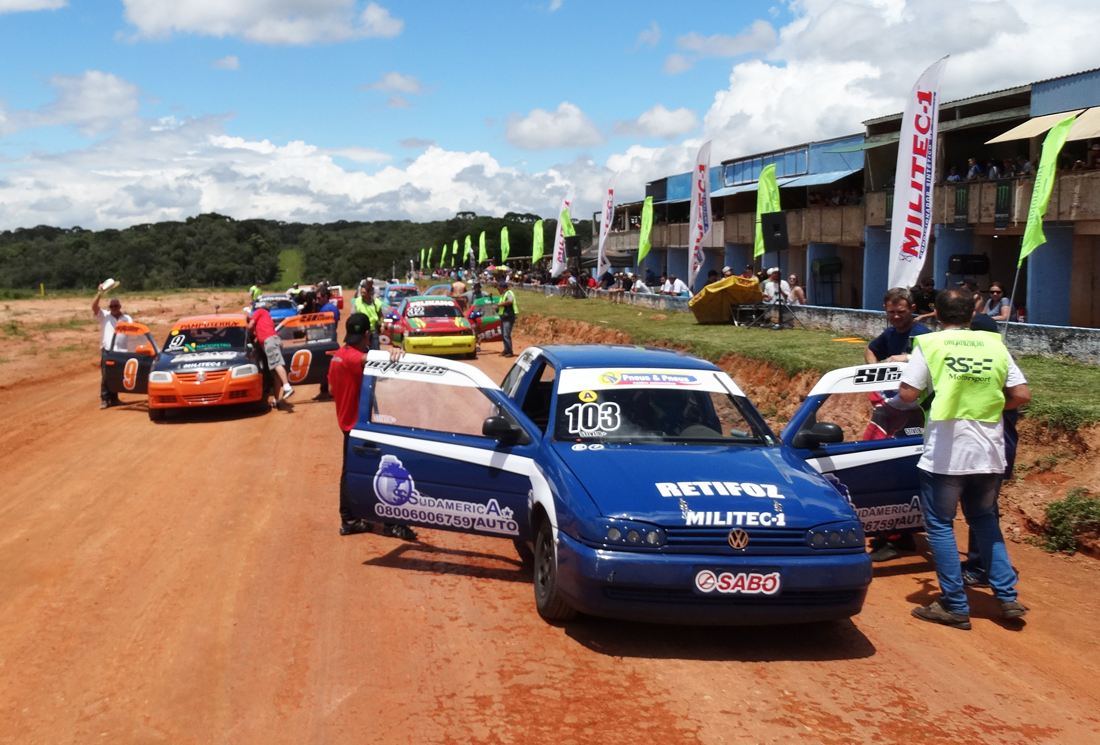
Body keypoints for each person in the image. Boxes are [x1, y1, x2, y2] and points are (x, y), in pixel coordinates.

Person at [892, 287, 1030, 629]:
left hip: (945, 453)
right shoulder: (994, 344)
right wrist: (993, 406)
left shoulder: (930, 344)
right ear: (972, 315)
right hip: (989, 450)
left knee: (940, 525)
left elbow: (907, 394)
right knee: (985, 520)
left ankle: (954, 605)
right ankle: (1007, 598)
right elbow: (1021, 395)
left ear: (935, 315)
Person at [328, 314, 417, 541]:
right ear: (367, 334)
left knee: (350, 471)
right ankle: (392, 523)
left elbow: (330, 389)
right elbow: (368, 360)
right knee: (382, 473)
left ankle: (349, 520)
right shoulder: (354, 358)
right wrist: (391, 352)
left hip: (348, 422)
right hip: (360, 425)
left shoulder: (338, 356)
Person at [862, 287, 932, 561]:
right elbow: (870, 349)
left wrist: (907, 358)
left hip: (916, 416)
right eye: (890, 312)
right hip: (890, 412)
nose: (895, 317)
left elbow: (933, 359)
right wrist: (874, 373)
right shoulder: (890, 334)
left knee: (884, 473)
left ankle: (888, 537)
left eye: (901, 312)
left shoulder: (924, 336)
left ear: (912, 309)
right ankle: (900, 535)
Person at [248, 301, 295, 408]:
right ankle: (277, 398)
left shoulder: (260, 311)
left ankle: (287, 387)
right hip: (273, 340)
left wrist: (251, 333)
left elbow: (250, 325)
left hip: (269, 341)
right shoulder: (267, 317)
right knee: (275, 371)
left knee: (277, 363)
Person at [92, 287, 132, 409]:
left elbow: (133, 334)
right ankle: (105, 399)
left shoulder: (127, 319)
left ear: (120, 307)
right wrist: (100, 293)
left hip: (121, 351)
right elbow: (94, 306)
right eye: (111, 306)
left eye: (115, 306)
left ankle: (114, 398)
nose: (113, 308)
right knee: (106, 375)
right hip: (108, 350)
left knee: (117, 375)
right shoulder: (104, 316)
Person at [313, 286, 342, 401]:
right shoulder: (331, 308)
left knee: (325, 366)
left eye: (319, 298)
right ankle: (325, 391)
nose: (317, 300)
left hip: (325, 339)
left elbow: (322, 326)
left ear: (325, 297)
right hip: (331, 338)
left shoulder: (326, 309)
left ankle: (328, 392)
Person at [352, 280, 383, 350]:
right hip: (361, 331)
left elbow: (381, 315)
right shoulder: (357, 301)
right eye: (361, 292)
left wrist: (382, 325)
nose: (362, 294)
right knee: (361, 351)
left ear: (369, 293)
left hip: (373, 331)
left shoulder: (376, 302)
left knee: (376, 351)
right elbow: (353, 316)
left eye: (364, 293)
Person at [497, 280, 517, 357]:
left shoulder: (509, 293)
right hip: (504, 316)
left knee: (506, 334)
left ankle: (509, 351)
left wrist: (500, 304)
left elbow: (510, 301)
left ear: (503, 287)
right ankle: (506, 350)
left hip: (509, 316)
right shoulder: (503, 294)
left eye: (499, 287)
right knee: (503, 334)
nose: (499, 288)